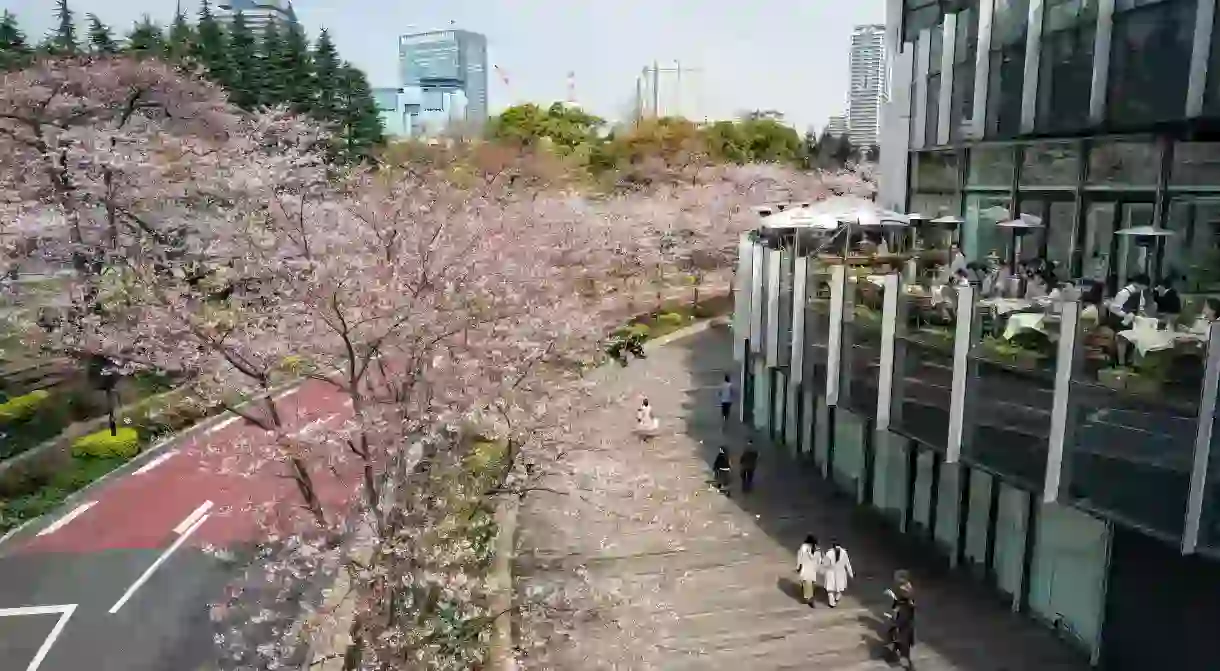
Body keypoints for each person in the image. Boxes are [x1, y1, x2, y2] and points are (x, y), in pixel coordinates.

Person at [888, 590, 917, 668]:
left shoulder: (906, 605)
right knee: (901, 645)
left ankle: (908, 663)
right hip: (905, 628)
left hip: (904, 629)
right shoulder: (907, 604)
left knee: (903, 645)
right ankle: (906, 661)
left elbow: (896, 611)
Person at [822, 541, 854, 607]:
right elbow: (847, 564)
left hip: (830, 572)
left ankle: (832, 603)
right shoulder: (844, 553)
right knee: (840, 588)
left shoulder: (829, 553)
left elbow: (825, 563)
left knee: (830, 589)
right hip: (841, 573)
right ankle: (837, 598)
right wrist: (851, 574)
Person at [795, 535, 823, 608]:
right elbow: (819, 559)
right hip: (812, 568)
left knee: (806, 583)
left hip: (806, 567)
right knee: (810, 583)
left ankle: (808, 598)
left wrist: (798, 566)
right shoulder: (817, 548)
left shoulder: (804, 547)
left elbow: (800, 557)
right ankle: (809, 598)